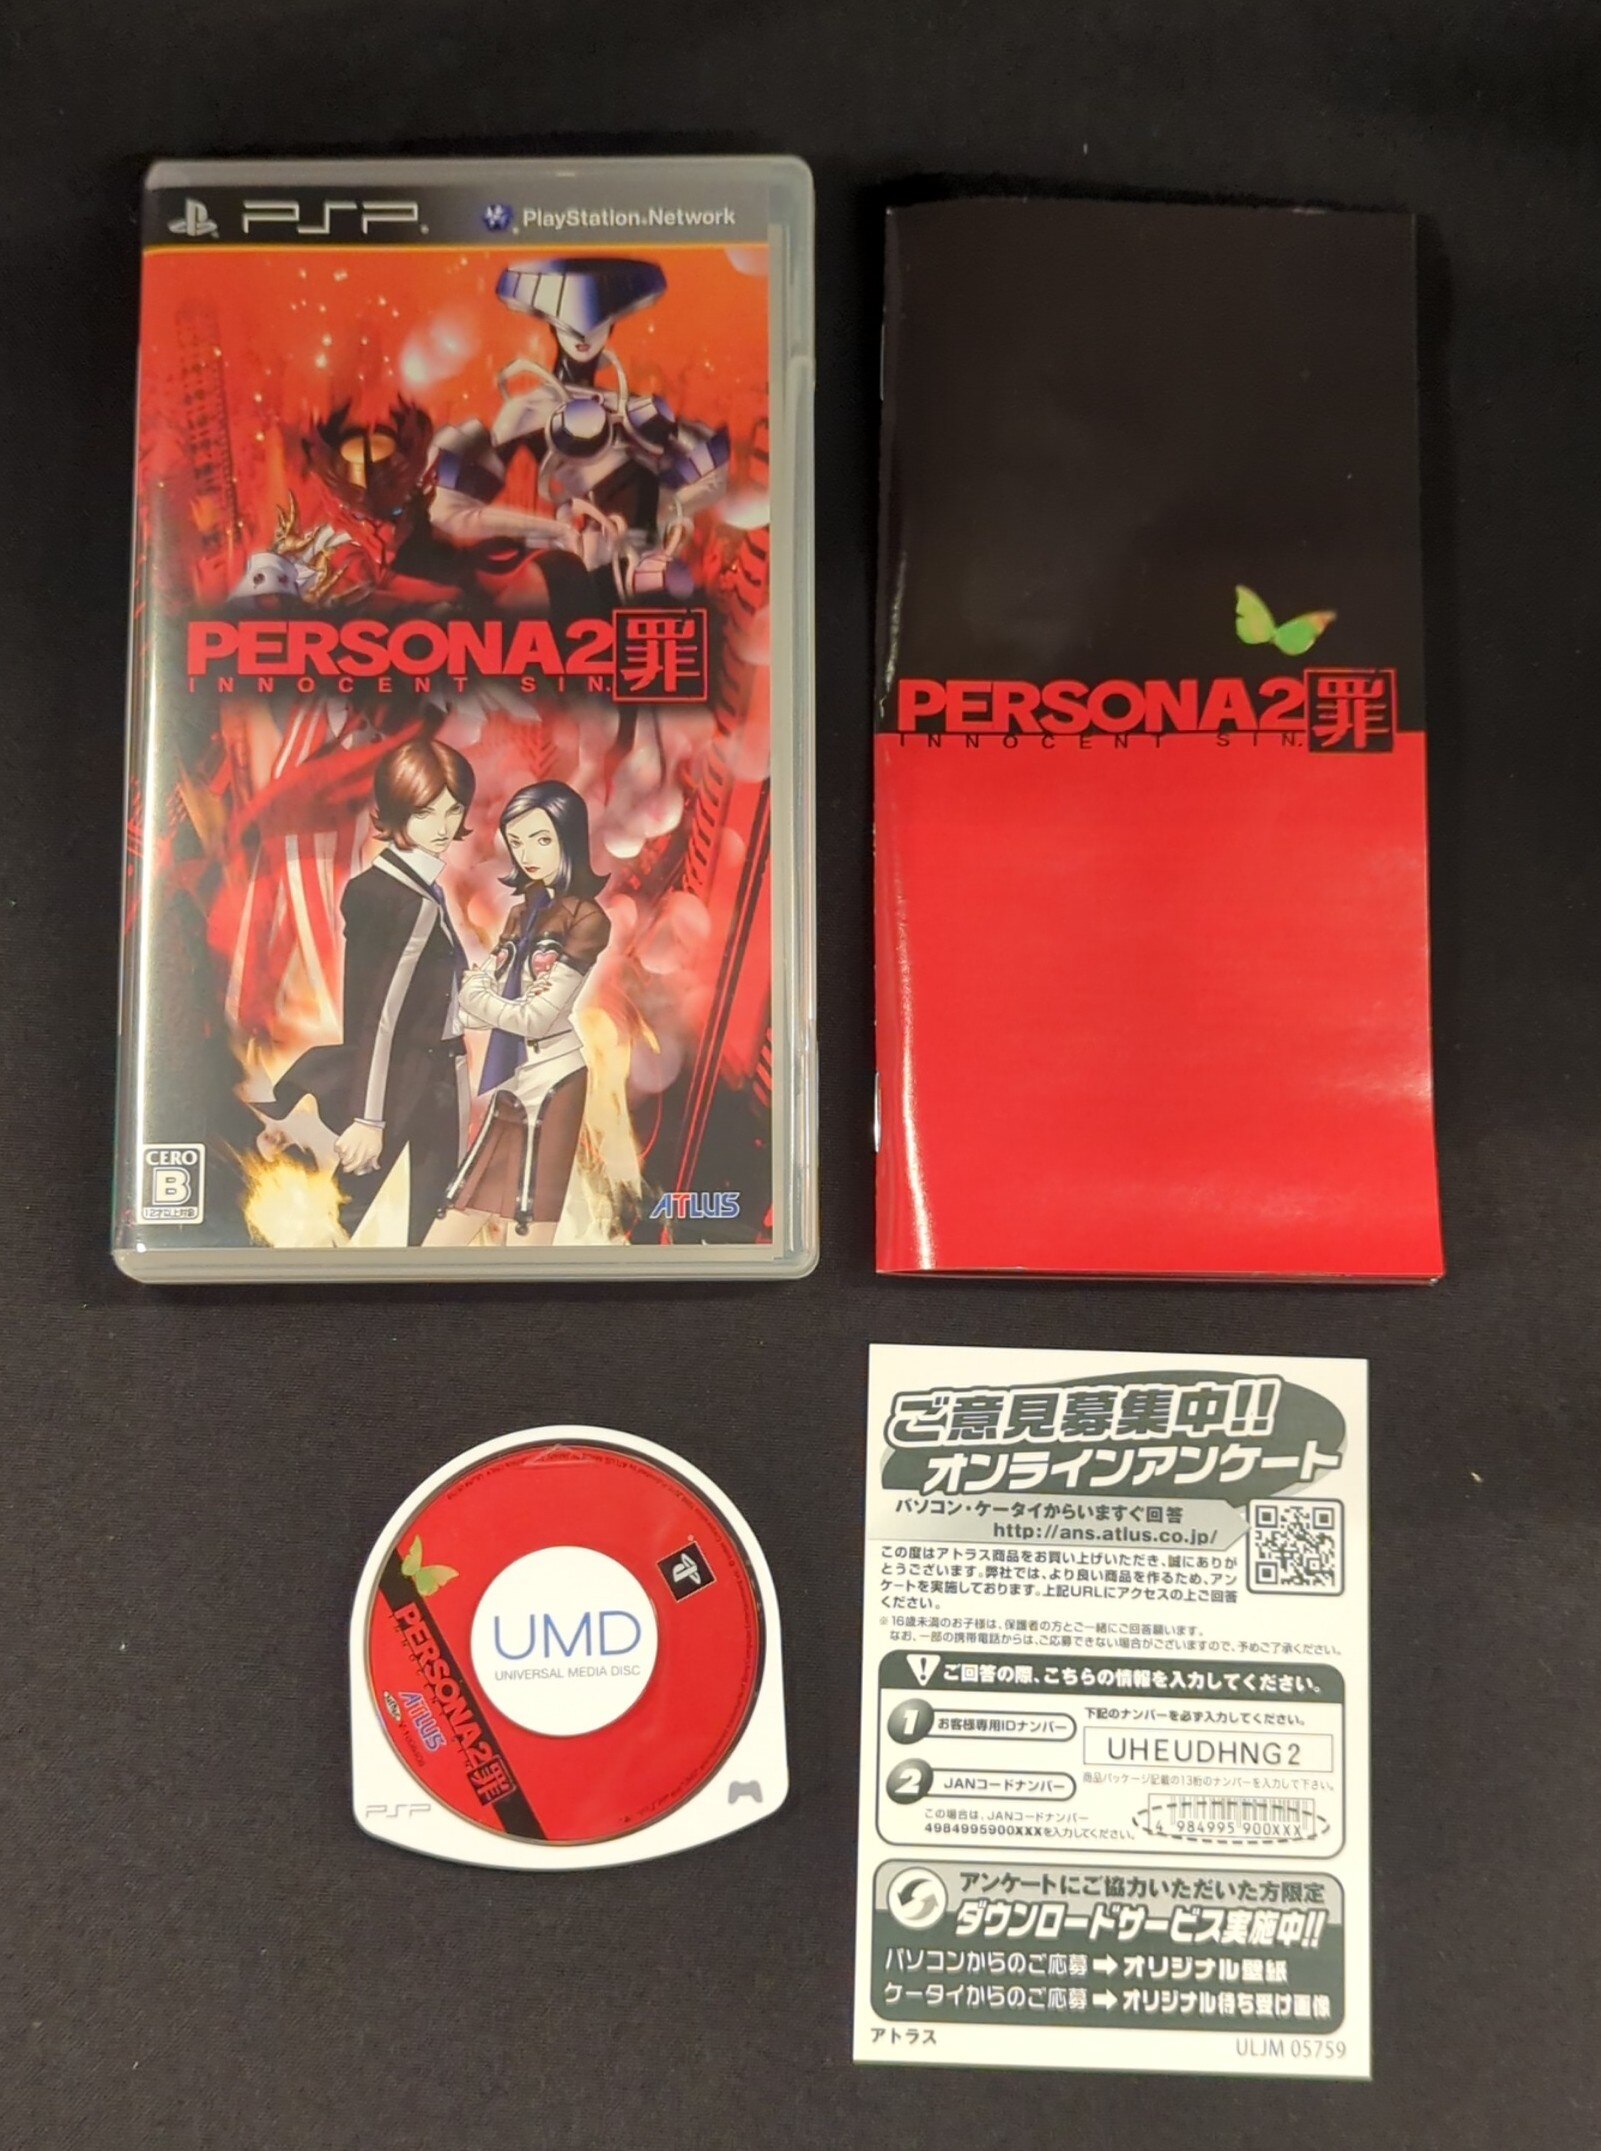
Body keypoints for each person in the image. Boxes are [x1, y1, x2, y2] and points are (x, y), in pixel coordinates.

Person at [260, 736, 474, 1243]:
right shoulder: (410, 902)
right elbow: (380, 1014)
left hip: (435, 1072)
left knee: (429, 1222)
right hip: (406, 1079)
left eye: (453, 810)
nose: (443, 827)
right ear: (397, 811)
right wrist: (368, 1117)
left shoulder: (398, 888)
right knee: (349, 1215)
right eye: (426, 812)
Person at [426, 781, 610, 1246]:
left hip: (554, 1078)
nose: (527, 853)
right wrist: (488, 1003)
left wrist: (482, 1000)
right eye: (517, 840)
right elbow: (478, 1006)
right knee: (457, 1210)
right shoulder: (519, 914)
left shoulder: (587, 918)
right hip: (511, 1079)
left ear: (568, 838)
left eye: (541, 838)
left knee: (528, 1225)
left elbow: (536, 1018)